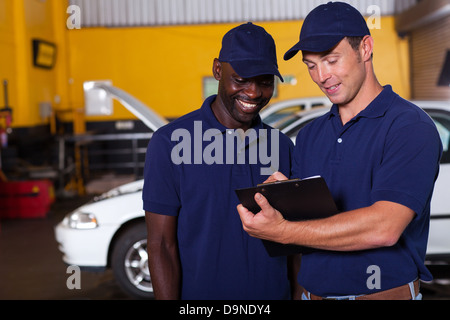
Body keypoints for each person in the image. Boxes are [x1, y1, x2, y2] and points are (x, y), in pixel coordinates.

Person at [237, 2, 443, 300]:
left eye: (331, 60)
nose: (322, 76)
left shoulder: (409, 126)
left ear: (366, 48)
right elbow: (307, 221)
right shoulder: (310, 135)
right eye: (311, 65)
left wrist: (283, 231)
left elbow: (383, 228)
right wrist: (279, 200)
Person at [143, 22, 300, 300]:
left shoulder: (282, 147)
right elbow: (161, 245)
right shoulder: (170, 143)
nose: (253, 93)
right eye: (240, 79)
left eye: (265, 82)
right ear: (218, 70)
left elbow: (296, 246)